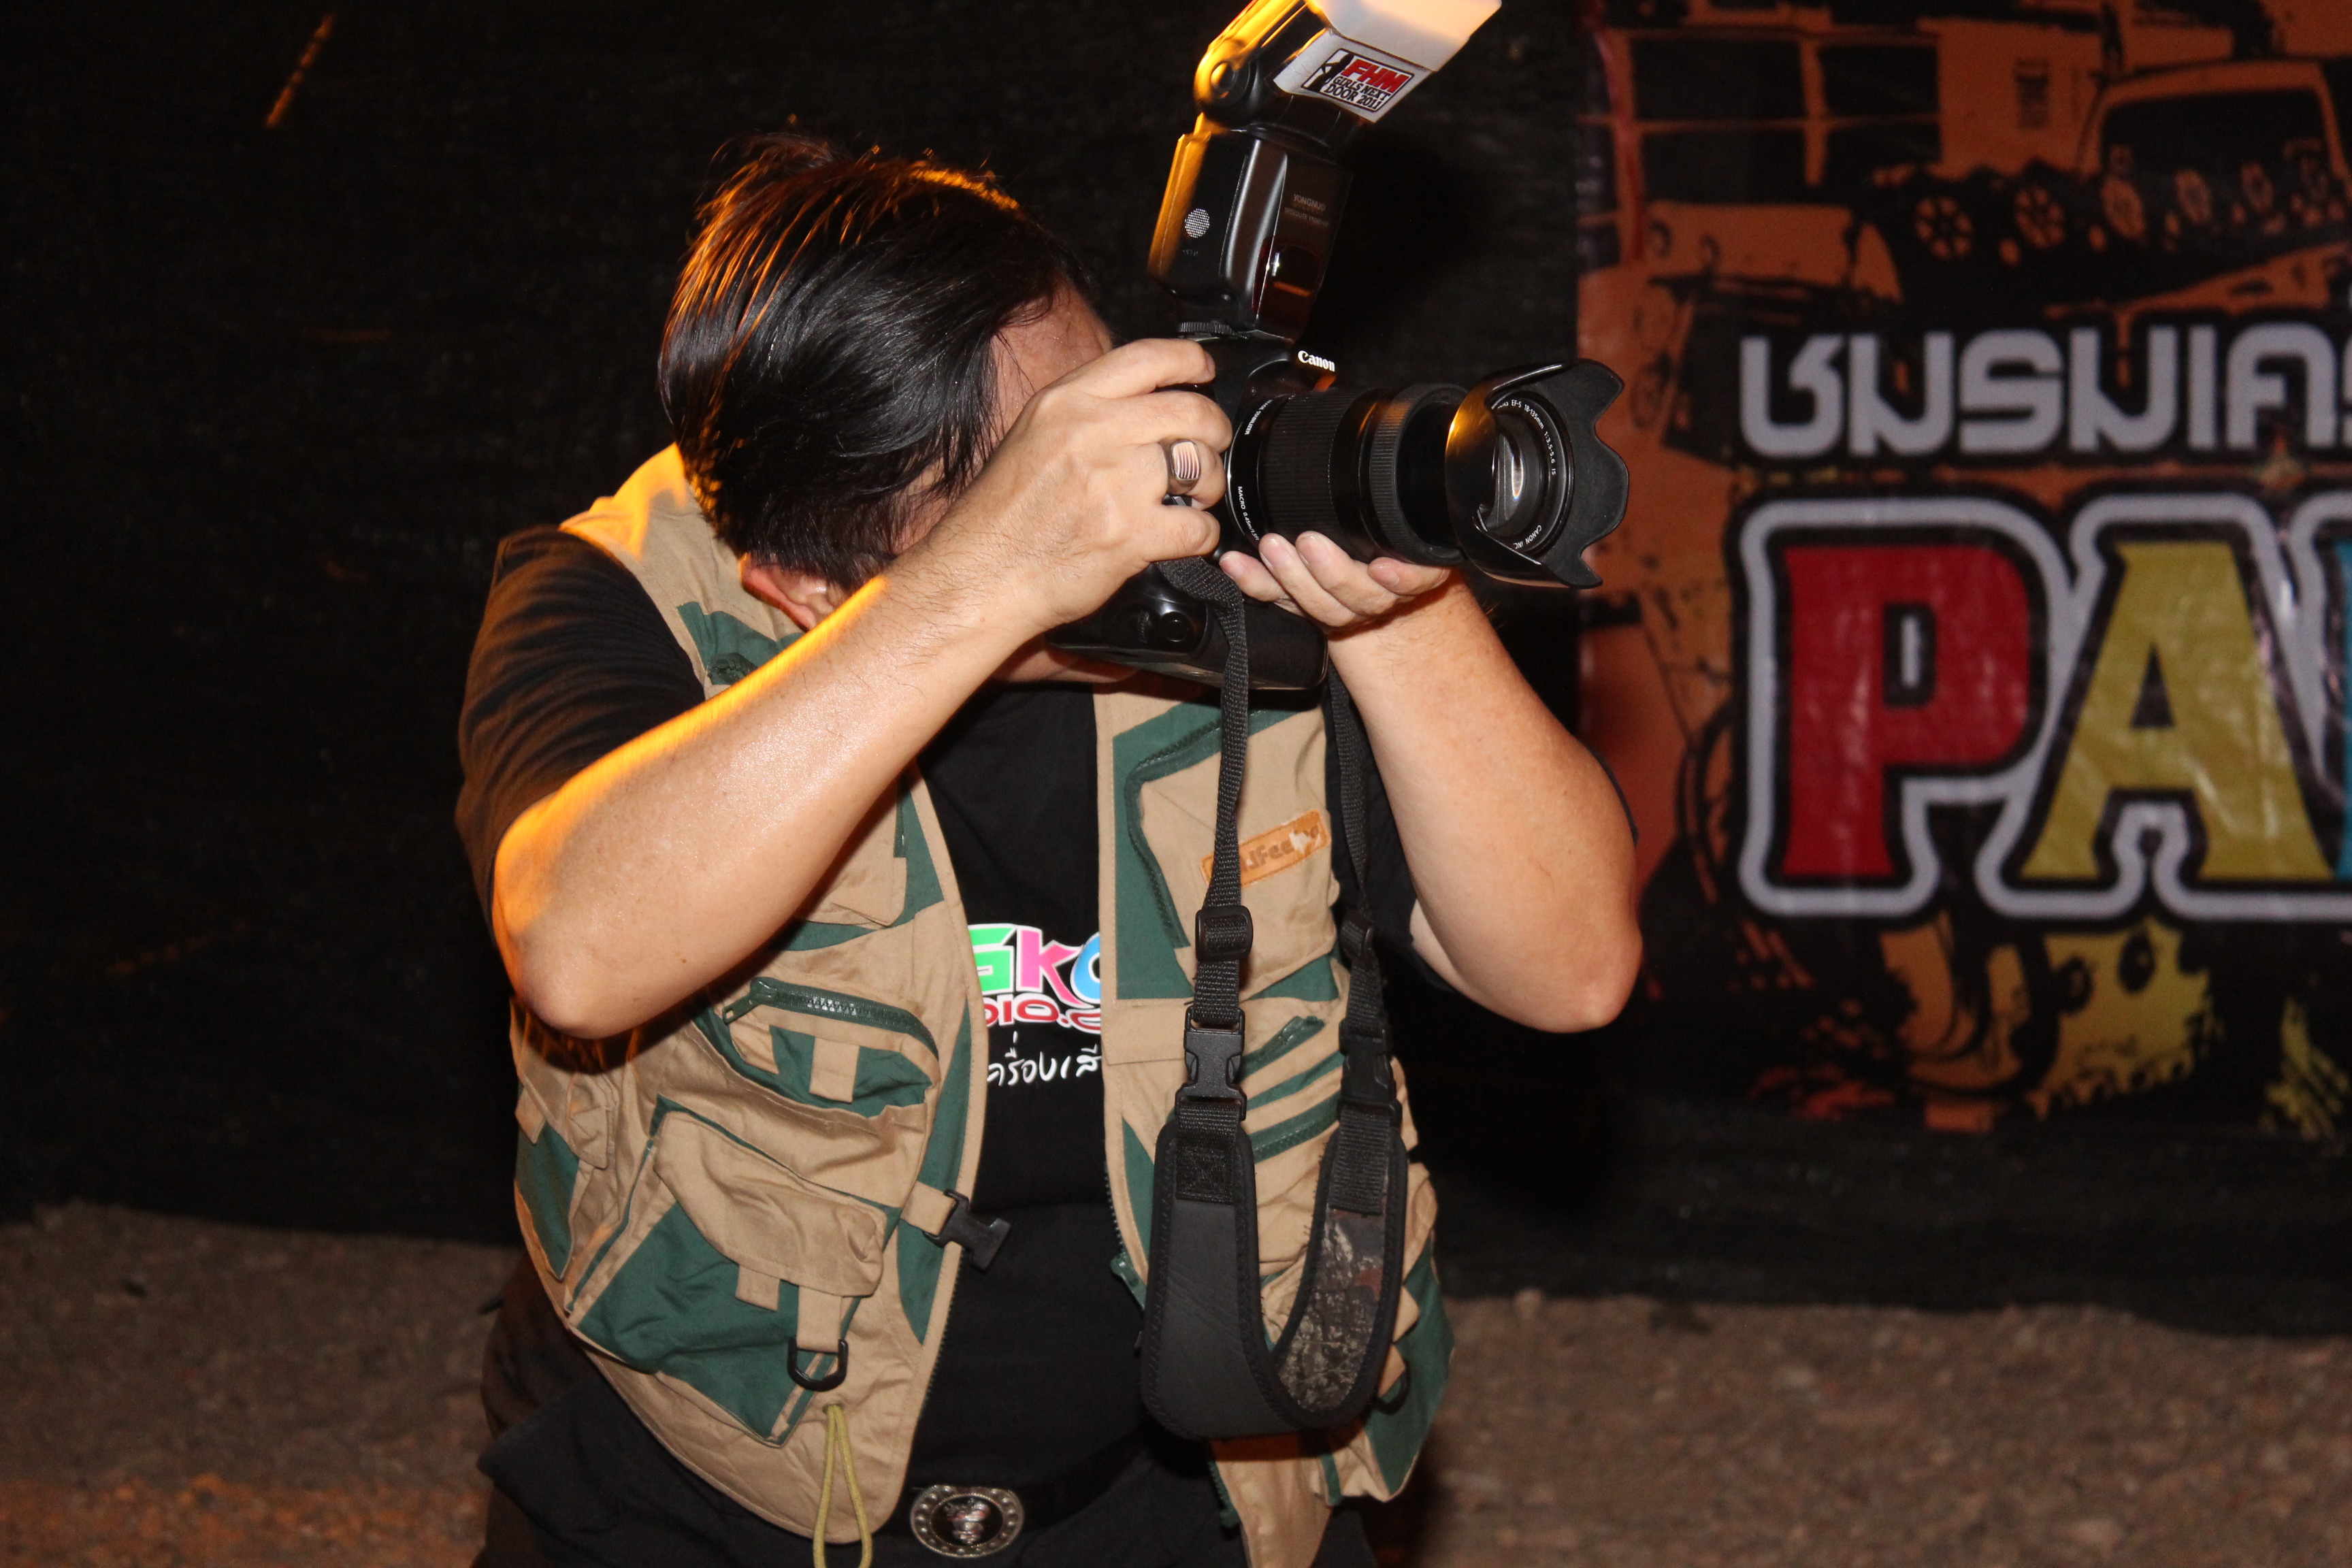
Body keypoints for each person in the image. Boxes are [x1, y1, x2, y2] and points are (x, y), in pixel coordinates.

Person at [455, 134, 1639, 1568]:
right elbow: (578, 953)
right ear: (807, 590)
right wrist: (985, 587)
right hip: (717, 1496)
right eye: (1042, 488)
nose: (1143, 501)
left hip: (1193, 1496)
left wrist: (1397, 609)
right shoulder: (629, 593)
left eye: (1104, 412)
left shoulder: (1239, 552)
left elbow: (1569, 968)